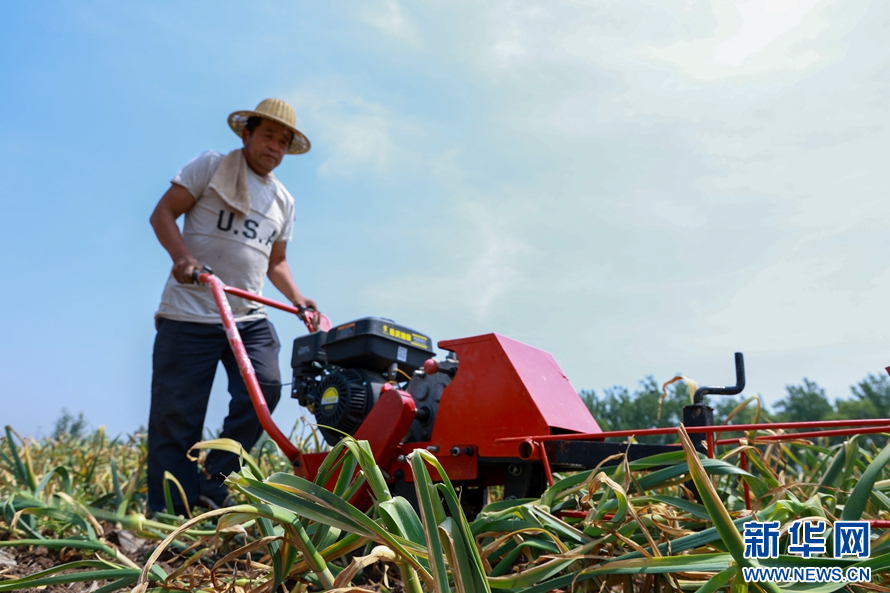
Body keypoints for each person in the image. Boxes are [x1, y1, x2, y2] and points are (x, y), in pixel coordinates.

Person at [147, 98, 316, 514]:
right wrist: (183, 258)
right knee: (177, 415)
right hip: (191, 310)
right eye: (267, 136)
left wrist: (297, 297)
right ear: (246, 134)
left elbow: (276, 262)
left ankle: (216, 478)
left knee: (266, 390)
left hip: (247, 315)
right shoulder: (210, 166)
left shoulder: (283, 200)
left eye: (283, 141)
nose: (274, 147)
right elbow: (163, 214)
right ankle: (173, 511)